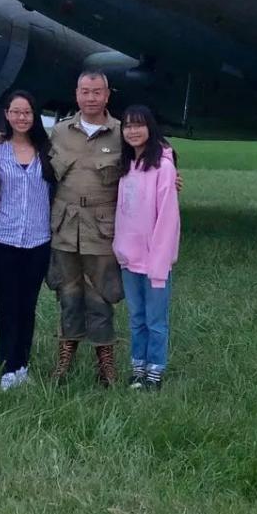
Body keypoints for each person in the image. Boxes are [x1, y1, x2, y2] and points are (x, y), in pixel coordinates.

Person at [47, 71, 125, 386]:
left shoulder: (122, 132)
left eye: (97, 92)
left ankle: (105, 365)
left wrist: (170, 175)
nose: (90, 98)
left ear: (107, 95)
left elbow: (154, 158)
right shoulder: (59, 132)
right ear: (76, 94)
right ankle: (64, 360)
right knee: (67, 294)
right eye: (84, 91)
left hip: (103, 230)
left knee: (101, 295)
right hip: (64, 228)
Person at [0, 90, 55, 391]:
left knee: (28, 305)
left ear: (34, 115)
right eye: (16, 112)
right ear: (7, 115)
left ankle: (22, 364)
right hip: (3, 239)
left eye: (27, 112)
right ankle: (8, 366)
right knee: (6, 304)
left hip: (38, 240)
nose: (21, 117)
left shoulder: (49, 150)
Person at [113, 105, 180, 391]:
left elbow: (167, 217)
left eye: (139, 125)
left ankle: (155, 373)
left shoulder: (163, 167)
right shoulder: (126, 166)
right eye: (127, 125)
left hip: (155, 261)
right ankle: (138, 368)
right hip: (129, 258)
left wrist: (160, 260)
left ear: (150, 128)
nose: (132, 131)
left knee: (156, 320)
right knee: (136, 318)